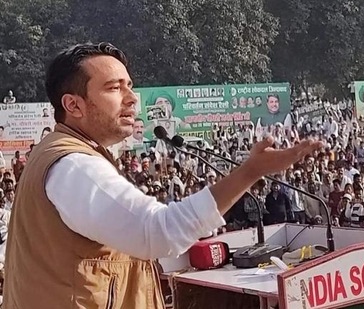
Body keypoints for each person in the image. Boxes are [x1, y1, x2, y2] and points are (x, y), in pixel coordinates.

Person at [2, 42, 323, 308]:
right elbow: (158, 232)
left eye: (130, 86)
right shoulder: (74, 164)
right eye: (114, 88)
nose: (131, 98)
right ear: (73, 105)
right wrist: (251, 171)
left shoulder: (61, 153)